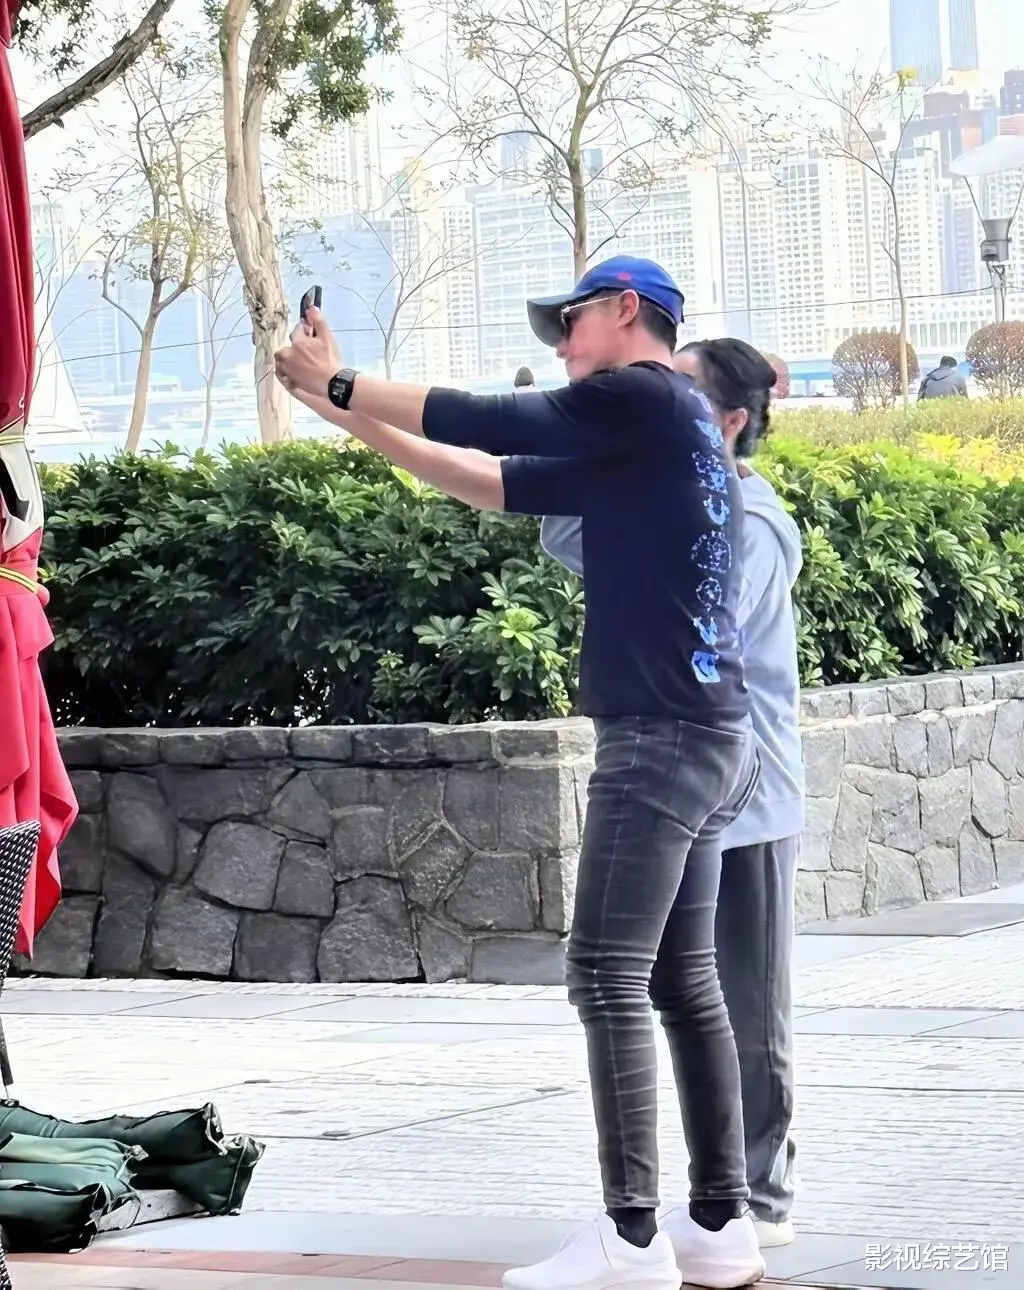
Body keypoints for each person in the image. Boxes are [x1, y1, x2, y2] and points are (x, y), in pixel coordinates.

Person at [275, 255, 766, 1290]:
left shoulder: (641, 394)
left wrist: (344, 379)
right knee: (681, 982)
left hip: (659, 741)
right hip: (714, 736)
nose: (560, 345)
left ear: (626, 312)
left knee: (606, 974)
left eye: (569, 323)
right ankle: (719, 1226)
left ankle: (632, 1236)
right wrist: (341, 411)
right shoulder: (661, 430)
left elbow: (487, 417)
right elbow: (485, 477)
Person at [542, 337, 804, 1252]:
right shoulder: (669, 498)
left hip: (746, 792)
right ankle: (713, 1211)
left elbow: (704, 606)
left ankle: (756, 1199)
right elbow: (571, 537)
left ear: (729, 421)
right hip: (694, 782)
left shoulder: (753, 520)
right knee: (680, 985)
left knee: (742, 1002)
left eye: (681, 391)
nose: (659, 401)